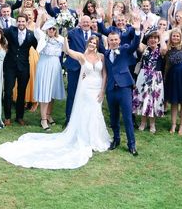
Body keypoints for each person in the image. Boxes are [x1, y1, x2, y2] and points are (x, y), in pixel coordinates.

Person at [0, 34, 111, 169]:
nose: (92, 44)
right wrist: (64, 36)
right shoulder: (82, 57)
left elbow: (104, 73)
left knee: (96, 111)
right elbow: (68, 51)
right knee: (85, 111)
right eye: (91, 42)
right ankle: (85, 137)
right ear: (88, 44)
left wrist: (102, 90)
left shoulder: (101, 57)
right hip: (86, 88)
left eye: (95, 43)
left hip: (97, 87)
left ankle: (95, 137)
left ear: (97, 45)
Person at [104, 12, 142, 156]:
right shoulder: (106, 54)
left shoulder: (125, 49)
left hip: (124, 88)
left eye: (115, 39)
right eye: (111, 39)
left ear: (119, 40)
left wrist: (137, 30)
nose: (113, 41)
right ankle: (116, 139)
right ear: (108, 41)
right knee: (113, 117)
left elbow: (135, 45)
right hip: (111, 89)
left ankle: (131, 144)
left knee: (127, 117)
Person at [63, 15, 104, 126]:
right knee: (72, 93)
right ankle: (69, 119)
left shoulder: (97, 36)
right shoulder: (72, 33)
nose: (86, 24)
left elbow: (103, 53)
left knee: (86, 95)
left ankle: (84, 120)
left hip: (90, 72)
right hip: (75, 68)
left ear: (91, 23)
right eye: (83, 22)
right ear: (80, 23)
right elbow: (66, 47)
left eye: (88, 22)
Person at [2, 14, 38, 126]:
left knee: (21, 93)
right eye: (19, 21)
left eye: (23, 21)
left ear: (27, 22)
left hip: (24, 67)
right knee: (8, 92)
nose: (21, 23)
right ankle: (7, 117)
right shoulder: (10, 31)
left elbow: (39, 46)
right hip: (10, 66)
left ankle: (19, 117)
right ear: (16, 22)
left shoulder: (31, 35)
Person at [33, 17, 66, 130]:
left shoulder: (61, 39)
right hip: (44, 65)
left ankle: (48, 114)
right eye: (49, 28)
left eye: (53, 28)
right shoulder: (42, 37)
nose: (51, 30)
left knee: (52, 92)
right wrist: (41, 16)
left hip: (55, 65)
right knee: (45, 92)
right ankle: (43, 119)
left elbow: (66, 50)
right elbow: (36, 28)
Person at [132, 30, 166, 134]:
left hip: (156, 78)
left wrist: (160, 35)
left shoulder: (161, 50)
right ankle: (143, 122)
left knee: (153, 100)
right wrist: (142, 31)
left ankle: (152, 124)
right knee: (143, 99)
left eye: (155, 38)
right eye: (151, 38)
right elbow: (138, 44)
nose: (153, 40)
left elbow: (164, 48)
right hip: (144, 76)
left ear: (158, 40)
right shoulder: (145, 49)